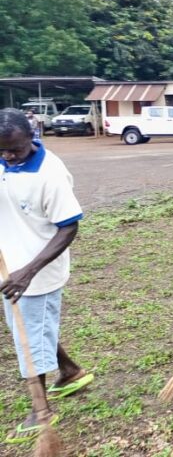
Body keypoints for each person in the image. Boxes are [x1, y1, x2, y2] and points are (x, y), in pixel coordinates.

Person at [0, 109, 93, 444]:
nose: (9, 156)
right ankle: (70, 372)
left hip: (36, 269)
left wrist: (28, 271)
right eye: (3, 151)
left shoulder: (49, 173)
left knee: (28, 335)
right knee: (33, 327)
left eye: (15, 150)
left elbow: (68, 227)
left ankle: (40, 410)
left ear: (32, 135)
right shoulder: (3, 157)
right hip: (9, 264)